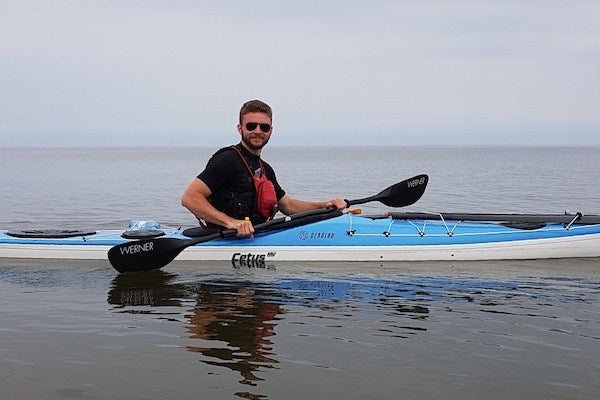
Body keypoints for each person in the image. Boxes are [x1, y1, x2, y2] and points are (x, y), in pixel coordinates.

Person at [181, 99, 346, 236]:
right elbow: (190, 197)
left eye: (264, 127)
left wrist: (325, 206)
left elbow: (288, 205)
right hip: (221, 240)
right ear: (240, 128)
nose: (258, 131)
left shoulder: (265, 169)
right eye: (251, 126)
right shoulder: (227, 159)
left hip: (255, 237)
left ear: (271, 131)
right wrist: (231, 222)